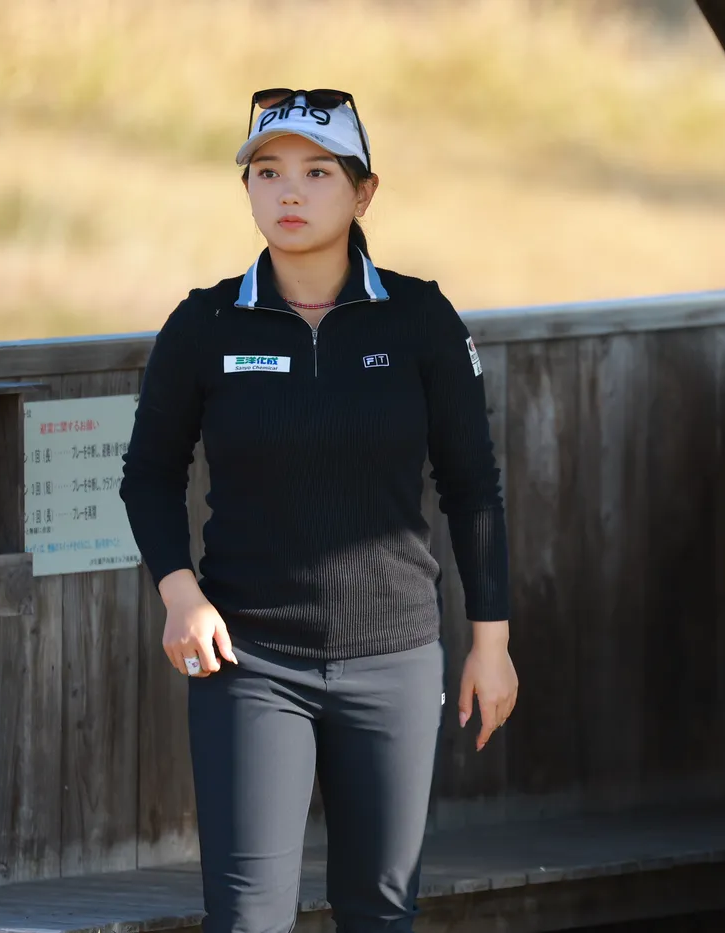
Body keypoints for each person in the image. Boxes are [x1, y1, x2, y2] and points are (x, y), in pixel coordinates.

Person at [119, 88, 519, 933]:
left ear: (364, 192)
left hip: (395, 658)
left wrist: (492, 645)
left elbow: (473, 484)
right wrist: (181, 594)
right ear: (247, 189)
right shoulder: (205, 323)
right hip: (250, 664)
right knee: (249, 919)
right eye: (267, 173)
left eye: (317, 172)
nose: (289, 192)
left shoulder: (420, 318)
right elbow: (148, 474)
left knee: (380, 912)